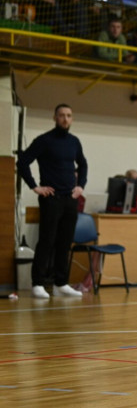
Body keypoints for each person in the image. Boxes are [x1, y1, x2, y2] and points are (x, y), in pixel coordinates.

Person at [16, 104, 86, 299]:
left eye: (69, 115)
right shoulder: (44, 140)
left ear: (72, 119)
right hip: (51, 199)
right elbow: (22, 162)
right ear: (55, 118)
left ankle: (60, 283)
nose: (65, 119)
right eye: (61, 115)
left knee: (65, 242)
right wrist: (34, 186)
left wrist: (80, 186)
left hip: (70, 199)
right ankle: (37, 283)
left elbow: (83, 164)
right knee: (47, 241)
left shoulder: (74, 142)